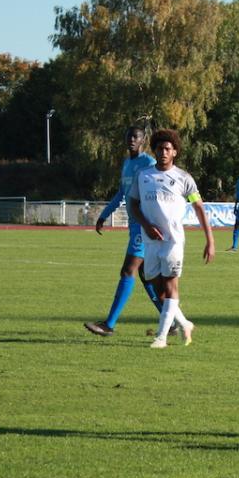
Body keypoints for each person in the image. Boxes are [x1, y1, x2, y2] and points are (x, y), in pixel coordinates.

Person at [127, 129, 215, 348]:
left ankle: (161, 337)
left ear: (175, 152)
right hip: (150, 241)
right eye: (159, 148)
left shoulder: (184, 178)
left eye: (168, 149)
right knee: (158, 288)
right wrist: (146, 225)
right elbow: (133, 205)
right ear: (155, 151)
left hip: (173, 241)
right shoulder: (143, 176)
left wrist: (210, 240)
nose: (163, 152)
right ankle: (184, 323)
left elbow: (199, 208)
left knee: (170, 286)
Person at [84, 126, 164, 336]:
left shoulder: (149, 163)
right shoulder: (127, 163)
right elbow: (122, 192)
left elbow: (158, 191)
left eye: (136, 137)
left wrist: (155, 222)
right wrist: (104, 215)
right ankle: (171, 320)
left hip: (144, 226)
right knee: (146, 276)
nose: (132, 140)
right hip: (134, 225)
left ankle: (109, 324)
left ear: (143, 140)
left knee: (128, 270)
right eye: (129, 136)